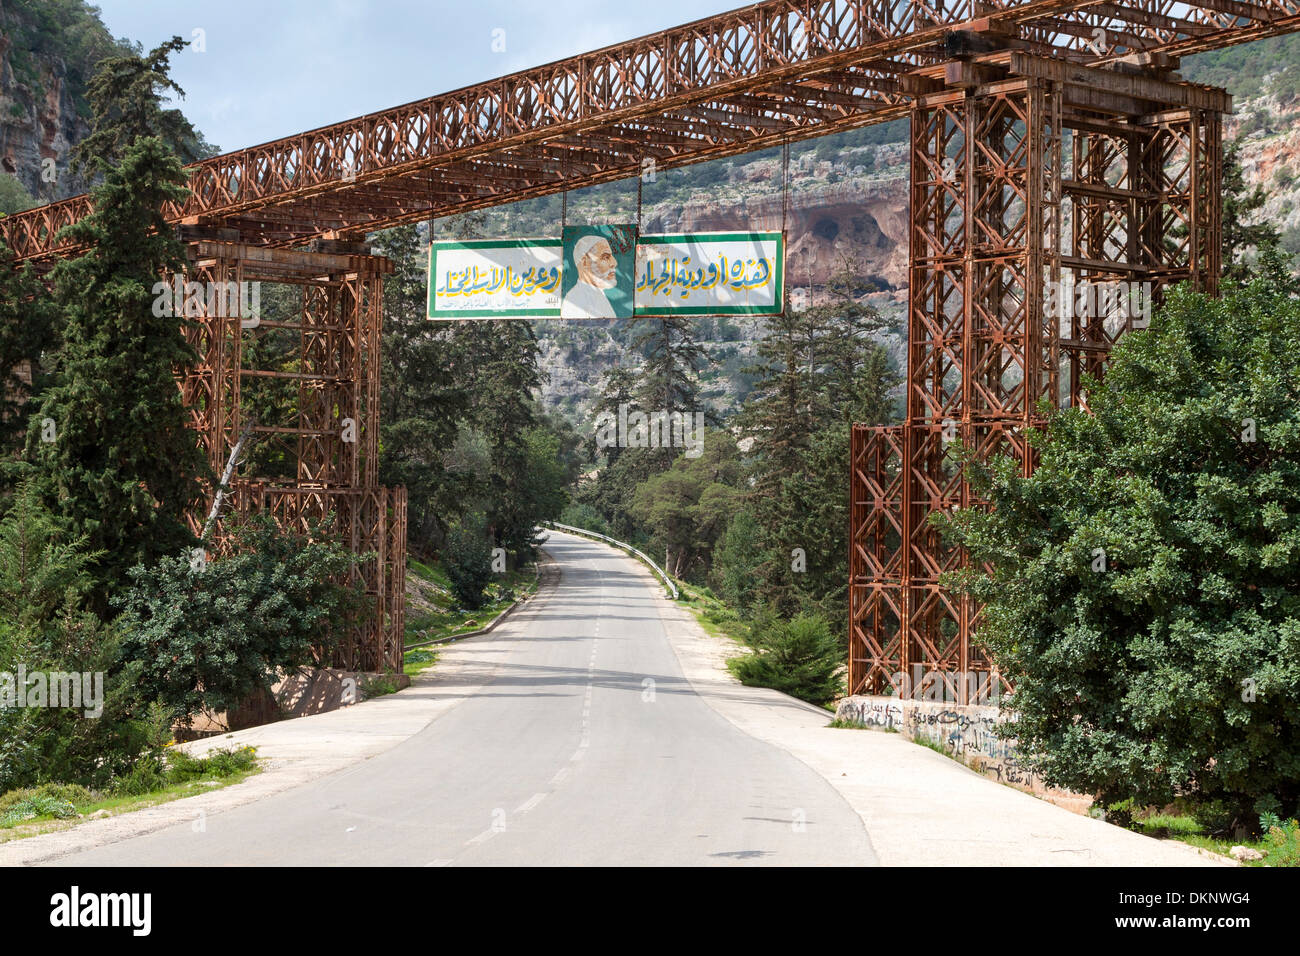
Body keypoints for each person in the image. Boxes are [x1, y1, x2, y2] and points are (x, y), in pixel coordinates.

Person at [562, 235, 618, 318]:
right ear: (584, 262)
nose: (614, 263)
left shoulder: (598, 294)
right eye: (606, 257)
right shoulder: (574, 300)